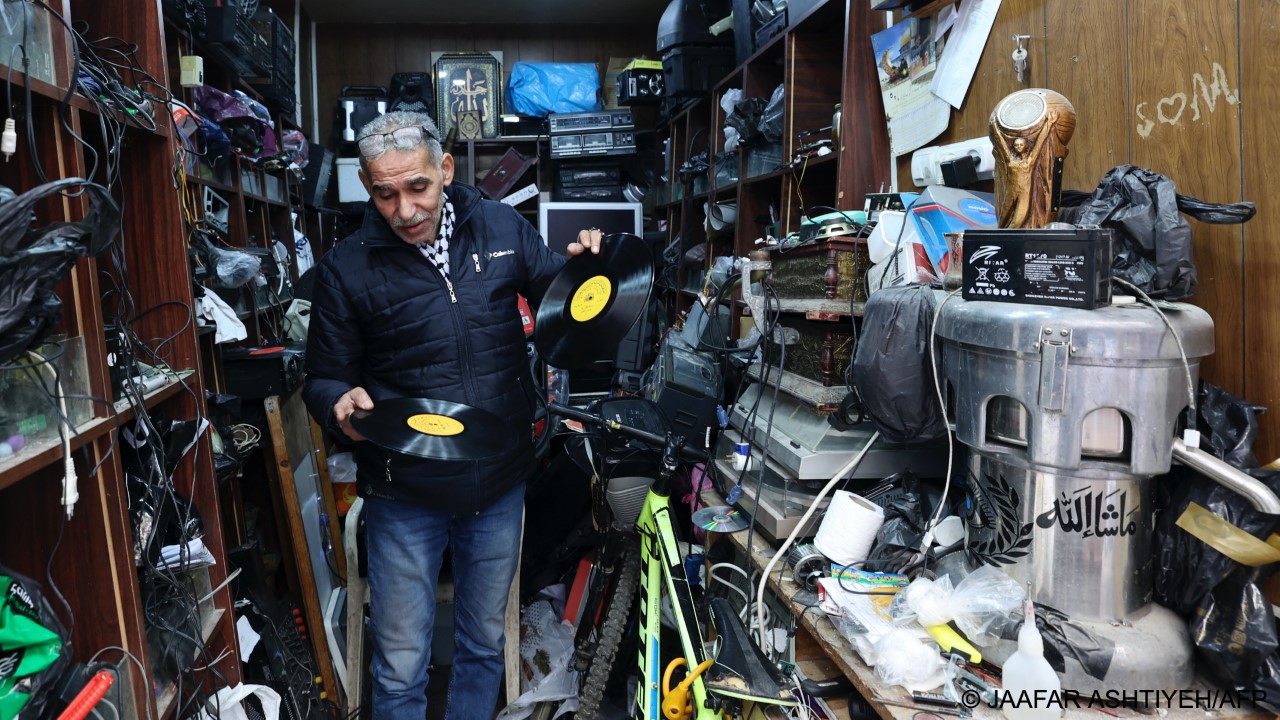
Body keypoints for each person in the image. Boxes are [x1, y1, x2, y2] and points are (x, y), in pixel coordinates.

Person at [303, 110, 602, 719]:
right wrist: (338, 404)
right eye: (385, 193)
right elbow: (324, 376)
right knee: (401, 664)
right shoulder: (346, 267)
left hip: (497, 481)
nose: (405, 209)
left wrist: (585, 269)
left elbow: (560, 302)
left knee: (483, 645)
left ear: (445, 168)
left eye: (417, 187)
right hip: (403, 490)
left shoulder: (500, 224)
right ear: (367, 186)